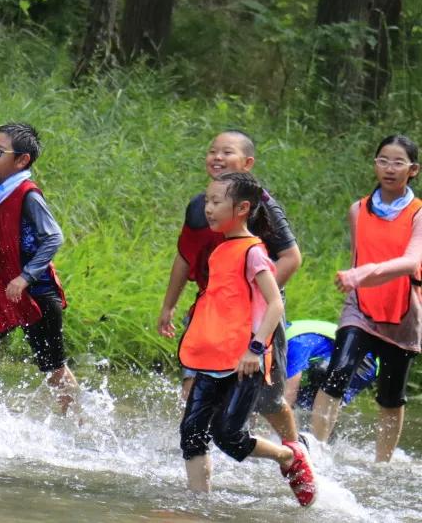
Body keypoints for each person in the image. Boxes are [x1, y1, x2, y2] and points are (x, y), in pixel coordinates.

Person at [177, 172, 316, 505]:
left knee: (229, 436)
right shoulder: (220, 249)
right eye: (207, 201)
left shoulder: (253, 251)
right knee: (191, 434)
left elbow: (275, 303)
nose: (207, 209)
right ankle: (198, 504)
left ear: (241, 208)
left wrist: (256, 349)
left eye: (215, 202)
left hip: (246, 363)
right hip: (213, 360)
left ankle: (288, 457)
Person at [157, 130, 303, 445]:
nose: (217, 158)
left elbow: (291, 258)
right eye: (213, 152)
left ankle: (295, 450)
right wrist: (169, 305)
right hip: (209, 310)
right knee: (195, 382)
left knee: (268, 399)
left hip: (257, 313)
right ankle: (196, 449)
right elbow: (185, 257)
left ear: (247, 163)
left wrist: (249, 302)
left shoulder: (261, 205)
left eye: (227, 152)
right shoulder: (201, 205)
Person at [310, 135, 422, 462]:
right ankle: (315, 453)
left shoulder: (418, 214)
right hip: (360, 307)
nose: (389, 168)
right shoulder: (357, 210)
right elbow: (360, 252)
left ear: (412, 169)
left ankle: (382, 465)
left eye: (398, 162)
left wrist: (361, 274)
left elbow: (411, 261)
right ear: (374, 164)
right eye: (383, 160)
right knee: (338, 370)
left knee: (390, 396)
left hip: (403, 313)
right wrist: (360, 280)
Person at [0, 123, 77, 414]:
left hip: (37, 295)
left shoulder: (29, 195)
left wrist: (26, 277)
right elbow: (13, 235)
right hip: (2, 291)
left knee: (54, 370)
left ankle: (76, 422)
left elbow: (53, 237)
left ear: (22, 160)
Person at [284, 319, 377, 410]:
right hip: (342, 361)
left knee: (320, 373)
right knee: (302, 403)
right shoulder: (282, 335)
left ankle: (329, 413)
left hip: (364, 363)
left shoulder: (295, 343)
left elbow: (289, 394)